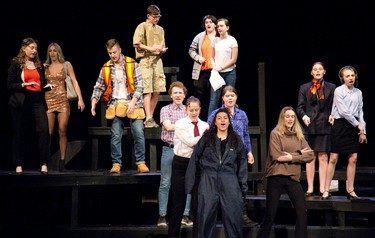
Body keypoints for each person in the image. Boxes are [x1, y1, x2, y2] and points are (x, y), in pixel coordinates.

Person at [185, 108, 248, 238]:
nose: (222, 120)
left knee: (233, 220)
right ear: (215, 122)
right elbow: (194, 159)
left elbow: (242, 165)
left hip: (229, 180)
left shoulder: (236, 140)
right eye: (219, 118)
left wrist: (243, 188)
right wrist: (189, 184)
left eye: (225, 118)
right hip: (208, 180)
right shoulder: (206, 139)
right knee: (205, 219)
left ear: (229, 122)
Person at [90, 38, 150, 174]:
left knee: (139, 132)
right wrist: (94, 101)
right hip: (116, 104)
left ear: (120, 50)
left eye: (114, 52)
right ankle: (116, 163)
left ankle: (141, 162)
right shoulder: (106, 67)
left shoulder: (132, 64)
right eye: (110, 53)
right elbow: (99, 86)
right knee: (116, 134)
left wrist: (133, 102)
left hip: (133, 103)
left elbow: (140, 85)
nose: (112, 55)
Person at [257, 106, 314, 238]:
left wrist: (292, 156)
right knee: (270, 215)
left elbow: (310, 155)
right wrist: (299, 154)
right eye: (287, 116)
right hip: (276, 176)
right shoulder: (275, 133)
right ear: (282, 118)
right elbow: (277, 156)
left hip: (292, 177)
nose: (290, 119)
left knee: (302, 212)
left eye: (292, 117)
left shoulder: (298, 135)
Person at [207, 85, 257, 227]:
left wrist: (249, 151)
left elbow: (246, 135)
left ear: (236, 97)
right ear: (222, 98)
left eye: (232, 95)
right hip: (222, 154)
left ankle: (242, 215)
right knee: (222, 184)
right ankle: (219, 216)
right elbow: (209, 135)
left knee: (242, 183)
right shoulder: (216, 114)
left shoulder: (242, 114)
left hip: (239, 153)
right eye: (227, 96)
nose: (230, 98)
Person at [7, 37, 55, 174]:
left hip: (36, 100)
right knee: (19, 132)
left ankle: (43, 163)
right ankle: (18, 163)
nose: (34, 51)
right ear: (24, 48)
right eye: (31, 48)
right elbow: (9, 84)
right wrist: (23, 85)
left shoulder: (38, 64)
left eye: (35, 48)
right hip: (21, 101)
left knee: (44, 130)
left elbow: (40, 84)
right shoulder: (16, 63)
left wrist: (47, 86)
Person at [322, 66, 367, 200]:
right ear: (342, 78)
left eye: (352, 75)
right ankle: (326, 189)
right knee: (334, 158)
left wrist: (362, 130)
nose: (350, 78)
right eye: (347, 76)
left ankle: (350, 190)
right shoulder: (338, 91)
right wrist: (357, 125)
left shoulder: (358, 92)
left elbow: (360, 112)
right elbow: (343, 111)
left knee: (353, 158)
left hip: (353, 126)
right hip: (340, 125)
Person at [168, 96, 209, 238]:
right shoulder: (180, 123)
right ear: (186, 109)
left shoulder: (205, 126)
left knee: (198, 205)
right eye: (191, 110)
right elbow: (191, 142)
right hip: (181, 164)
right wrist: (205, 137)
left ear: (200, 110)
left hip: (197, 165)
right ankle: (173, 235)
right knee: (178, 204)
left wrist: (207, 137)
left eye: (196, 110)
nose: (193, 112)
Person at [296, 62, 336, 196]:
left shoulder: (332, 87)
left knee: (323, 157)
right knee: (310, 156)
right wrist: (304, 116)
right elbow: (300, 107)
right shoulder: (305, 87)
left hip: (325, 125)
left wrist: (332, 115)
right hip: (310, 126)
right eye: (315, 69)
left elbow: (334, 106)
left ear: (324, 71)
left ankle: (323, 188)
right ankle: (310, 188)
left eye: (320, 69)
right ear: (311, 72)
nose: (318, 71)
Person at [44, 42, 85, 171]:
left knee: (62, 130)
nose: (52, 53)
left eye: (55, 51)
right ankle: (45, 161)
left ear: (59, 52)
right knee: (49, 133)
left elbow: (74, 81)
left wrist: (80, 99)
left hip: (62, 100)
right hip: (49, 100)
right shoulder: (45, 66)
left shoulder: (66, 65)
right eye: (50, 51)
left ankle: (62, 161)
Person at [157, 81, 193, 227]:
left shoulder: (188, 110)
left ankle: (185, 214)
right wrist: (184, 125)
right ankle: (162, 215)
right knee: (165, 182)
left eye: (180, 92)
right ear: (171, 95)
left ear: (184, 95)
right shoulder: (165, 109)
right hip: (169, 148)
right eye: (175, 92)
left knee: (188, 183)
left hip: (185, 150)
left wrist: (182, 125)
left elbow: (191, 127)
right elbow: (168, 127)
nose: (178, 95)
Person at [133, 4, 167, 128]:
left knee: (157, 89)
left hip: (157, 60)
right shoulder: (142, 26)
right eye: (154, 17)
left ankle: (150, 117)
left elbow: (161, 45)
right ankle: (148, 117)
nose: (157, 19)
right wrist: (151, 48)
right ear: (148, 16)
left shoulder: (160, 29)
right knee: (147, 90)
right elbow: (137, 44)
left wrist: (162, 50)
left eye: (158, 16)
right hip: (145, 60)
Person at [188, 14, 217, 121]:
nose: (208, 24)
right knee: (199, 96)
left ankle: (211, 121)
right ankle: (197, 119)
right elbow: (191, 50)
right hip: (202, 71)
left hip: (215, 71)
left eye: (210, 22)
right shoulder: (200, 36)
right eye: (206, 22)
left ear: (215, 24)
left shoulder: (219, 36)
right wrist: (198, 58)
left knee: (213, 98)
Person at [208, 18, 238, 117]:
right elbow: (211, 57)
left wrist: (221, 67)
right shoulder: (215, 40)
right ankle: (210, 122)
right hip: (217, 73)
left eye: (222, 26)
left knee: (229, 98)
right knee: (214, 98)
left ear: (227, 27)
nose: (219, 28)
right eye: (218, 26)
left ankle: (229, 119)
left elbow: (233, 59)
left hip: (229, 72)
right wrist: (215, 67)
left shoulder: (232, 40)